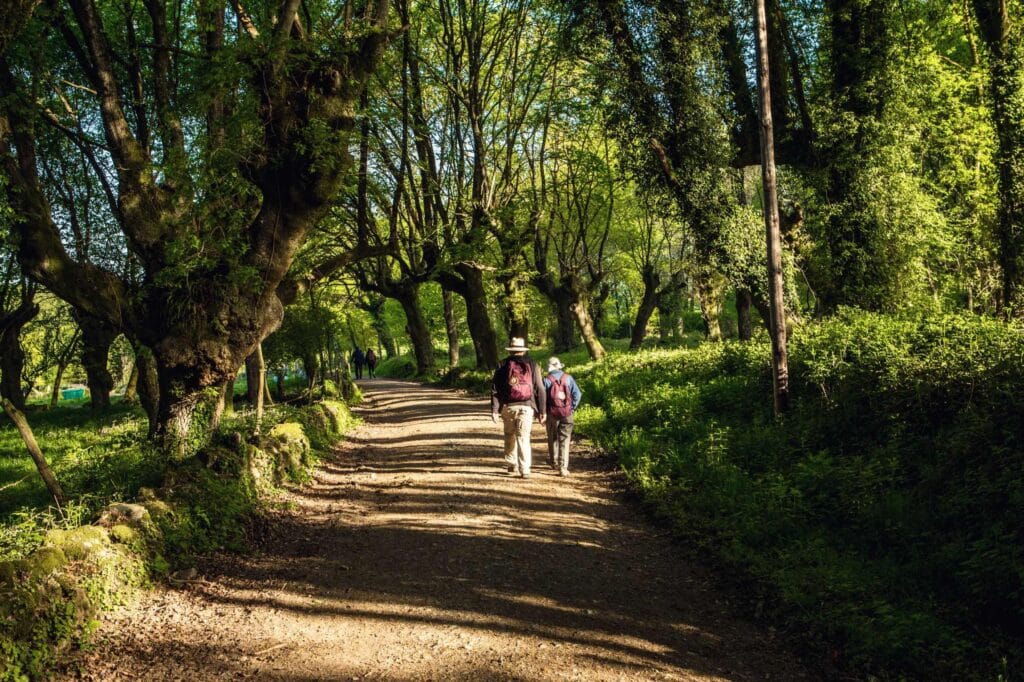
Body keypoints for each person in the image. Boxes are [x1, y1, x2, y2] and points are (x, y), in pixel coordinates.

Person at [491, 337, 546, 479]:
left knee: (510, 435)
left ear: (510, 349)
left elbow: (495, 389)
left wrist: (495, 410)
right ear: (523, 350)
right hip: (527, 407)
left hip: (508, 407)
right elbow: (540, 388)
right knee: (524, 437)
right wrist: (542, 410)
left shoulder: (502, 364)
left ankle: (511, 463)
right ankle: (525, 469)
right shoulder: (533, 364)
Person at [543, 357, 582, 477]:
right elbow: (578, 394)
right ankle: (563, 467)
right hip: (567, 413)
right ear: (559, 366)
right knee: (565, 439)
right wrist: (572, 408)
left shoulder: (546, 380)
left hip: (552, 414)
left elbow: (542, 398)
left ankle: (554, 462)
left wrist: (543, 412)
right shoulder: (568, 378)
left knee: (552, 437)